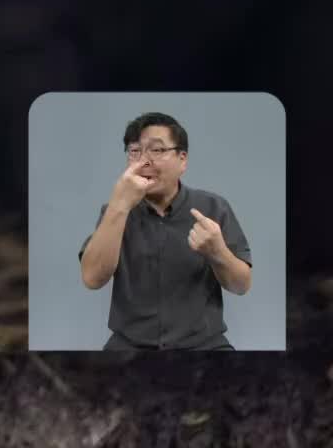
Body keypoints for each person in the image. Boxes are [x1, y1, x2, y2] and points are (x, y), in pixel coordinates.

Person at [77, 111, 252, 350]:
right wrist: (119, 205)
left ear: (183, 159)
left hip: (204, 345)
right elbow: (92, 279)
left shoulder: (214, 207)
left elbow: (241, 286)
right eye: (134, 151)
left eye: (156, 150)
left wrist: (217, 252)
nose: (144, 161)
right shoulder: (114, 213)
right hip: (130, 345)